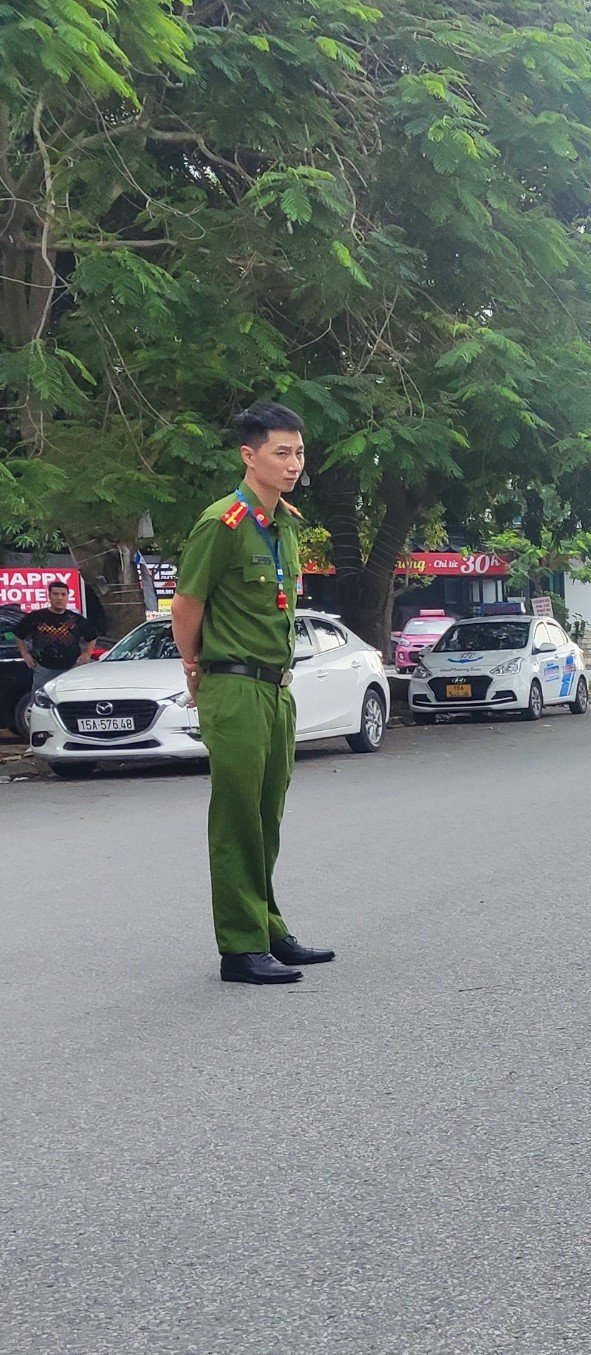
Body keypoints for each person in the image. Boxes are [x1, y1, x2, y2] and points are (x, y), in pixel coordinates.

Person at [170, 401, 331, 987]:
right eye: (282, 453)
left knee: (267, 813)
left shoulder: (282, 524)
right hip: (233, 684)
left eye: (299, 453)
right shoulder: (223, 523)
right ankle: (240, 948)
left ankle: (267, 928)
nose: (294, 465)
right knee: (237, 816)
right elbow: (186, 607)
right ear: (249, 456)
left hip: (276, 688)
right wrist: (195, 667)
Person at [18, 579, 90, 695]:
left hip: (70, 669)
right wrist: (25, 654)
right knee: (40, 701)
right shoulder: (36, 617)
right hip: (44, 669)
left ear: (67, 597)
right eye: (55, 594)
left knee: (69, 700)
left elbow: (93, 635)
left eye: (63, 594)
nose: (59, 598)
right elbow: (18, 633)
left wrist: (87, 654)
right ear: (49, 596)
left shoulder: (76, 619)